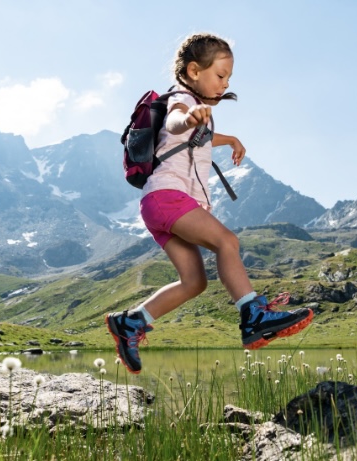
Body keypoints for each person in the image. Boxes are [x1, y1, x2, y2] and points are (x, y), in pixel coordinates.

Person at [106, 33, 313, 374]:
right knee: (227, 242)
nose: (225, 83)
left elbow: (193, 139)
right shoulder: (181, 98)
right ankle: (253, 315)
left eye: (229, 78)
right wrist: (188, 118)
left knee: (194, 282)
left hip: (156, 205)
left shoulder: (197, 108)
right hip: (169, 197)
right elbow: (175, 121)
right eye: (220, 76)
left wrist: (228, 138)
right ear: (192, 71)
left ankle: (131, 322)